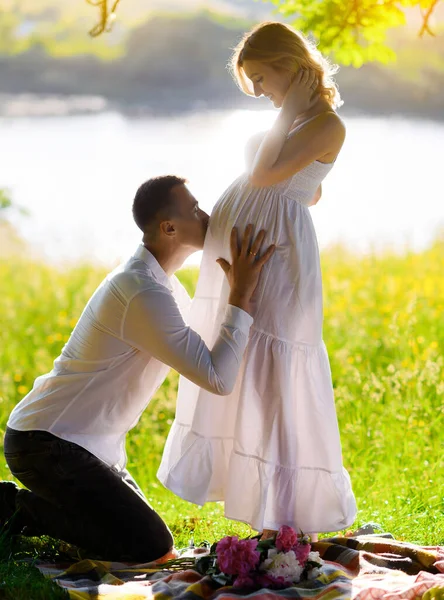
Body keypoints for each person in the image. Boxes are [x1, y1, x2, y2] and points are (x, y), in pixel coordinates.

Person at [0, 175, 275, 562]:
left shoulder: (164, 288)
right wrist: (241, 296)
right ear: (169, 228)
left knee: (139, 538)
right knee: (151, 546)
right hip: (46, 443)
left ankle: (39, 508)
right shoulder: (143, 291)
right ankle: (11, 508)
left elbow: (209, 360)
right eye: (195, 209)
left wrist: (238, 295)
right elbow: (217, 376)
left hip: (88, 447)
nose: (207, 216)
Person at [158, 22, 357, 540]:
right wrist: (302, 184)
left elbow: (268, 177)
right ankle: (263, 508)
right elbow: (298, 188)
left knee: (276, 378)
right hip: (249, 253)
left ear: (289, 66)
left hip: (278, 260)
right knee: (243, 367)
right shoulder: (294, 123)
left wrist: (290, 112)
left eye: (263, 80)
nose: (264, 95)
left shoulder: (326, 124)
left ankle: (288, 515)